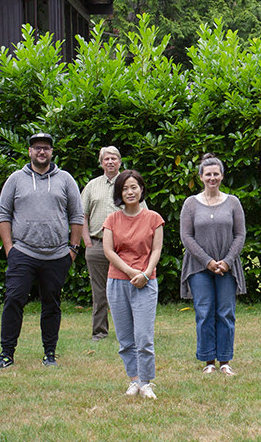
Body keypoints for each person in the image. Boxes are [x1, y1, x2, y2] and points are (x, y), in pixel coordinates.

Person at [0, 132, 84, 369]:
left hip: (57, 255)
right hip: (23, 252)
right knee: (13, 300)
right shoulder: (15, 179)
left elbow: (76, 215)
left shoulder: (65, 179)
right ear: (30, 151)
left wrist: (73, 248)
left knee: (51, 305)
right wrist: (9, 248)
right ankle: (6, 354)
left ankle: (50, 353)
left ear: (52, 152)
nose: (41, 152)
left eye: (46, 148)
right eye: (36, 148)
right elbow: (3, 215)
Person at [179, 153, 246, 375]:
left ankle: (225, 360)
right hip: (199, 268)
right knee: (204, 312)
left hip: (227, 268)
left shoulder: (233, 202)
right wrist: (207, 261)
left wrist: (227, 262)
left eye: (216, 174)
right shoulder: (190, 204)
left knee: (226, 312)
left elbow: (240, 235)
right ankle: (208, 361)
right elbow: (186, 237)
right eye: (208, 174)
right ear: (201, 177)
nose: (212, 178)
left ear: (222, 176)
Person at [102, 170, 164, 399]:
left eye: (134, 187)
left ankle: (146, 382)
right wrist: (130, 272)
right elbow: (108, 251)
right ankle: (134, 380)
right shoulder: (111, 220)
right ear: (119, 192)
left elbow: (156, 249)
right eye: (125, 188)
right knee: (126, 338)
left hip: (146, 284)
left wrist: (146, 274)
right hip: (118, 282)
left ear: (141, 189)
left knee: (144, 336)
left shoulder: (154, 218)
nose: (130, 192)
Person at [80, 146, 122, 341]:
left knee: (125, 290)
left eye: (114, 158)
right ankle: (99, 332)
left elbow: (142, 213)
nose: (110, 162)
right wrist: (87, 240)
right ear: (101, 162)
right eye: (106, 159)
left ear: (120, 162)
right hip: (96, 245)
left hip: (124, 247)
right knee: (99, 292)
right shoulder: (92, 186)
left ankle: (127, 331)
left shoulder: (128, 183)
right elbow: (82, 214)